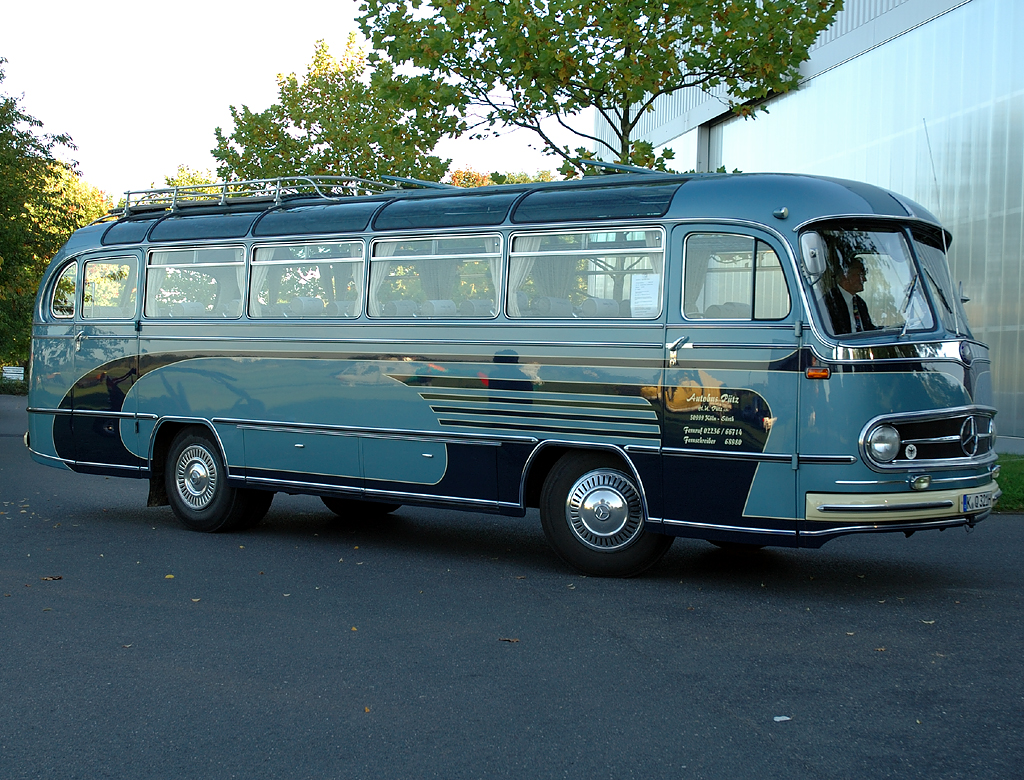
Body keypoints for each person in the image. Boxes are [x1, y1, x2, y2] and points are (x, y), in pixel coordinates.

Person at [823, 257, 875, 334]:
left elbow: (868, 329)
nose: (864, 279)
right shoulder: (829, 302)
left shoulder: (860, 303)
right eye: (860, 274)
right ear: (845, 276)